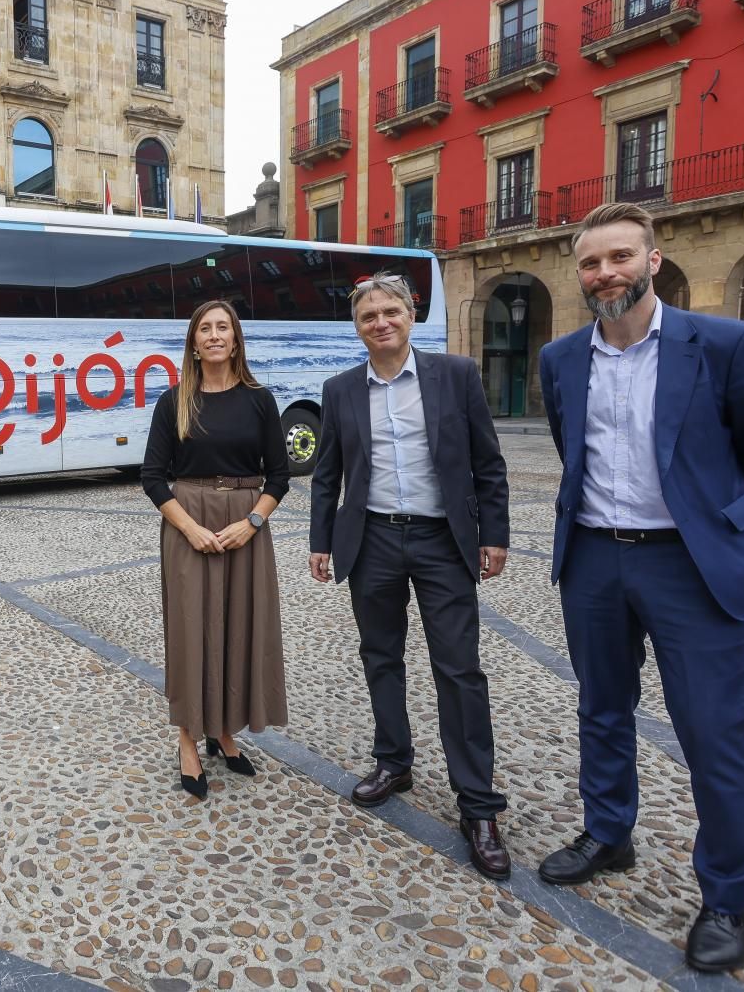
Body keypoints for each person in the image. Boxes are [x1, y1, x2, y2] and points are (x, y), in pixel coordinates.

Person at [536, 202, 744, 973]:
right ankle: (608, 832)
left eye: (619, 256)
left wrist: (725, 527)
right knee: (601, 708)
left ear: (654, 260)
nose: (604, 273)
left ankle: (726, 893)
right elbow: (568, 445)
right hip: (593, 558)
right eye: (590, 263)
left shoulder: (727, 343)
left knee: (714, 733)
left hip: (688, 565)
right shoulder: (560, 359)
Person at [308, 271, 513, 880]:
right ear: (358, 327)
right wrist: (322, 542)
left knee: (459, 668)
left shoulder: (456, 376)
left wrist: (494, 534)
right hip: (371, 539)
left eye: (390, 311)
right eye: (368, 316)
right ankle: (393, 760)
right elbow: (327, 473)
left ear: (410, 313)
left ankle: (478, 805)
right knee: (381, 656)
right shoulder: (341, 388)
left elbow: (488, 462)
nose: (380, 322)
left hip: (441, 541)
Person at [142, 298, 290, 800]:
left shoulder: (259, 399)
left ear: (235, 338)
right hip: (190, 525)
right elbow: (152, 477)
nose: (214, 335)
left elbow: (281, 475)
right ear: (194, 341)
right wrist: (189, 529)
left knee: (239, 630)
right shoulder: (174, 401)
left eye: (222, 327)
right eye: (204, 328)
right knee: (192, 633)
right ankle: (188, 738)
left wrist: (252, 522)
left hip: (245, 526)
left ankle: (223, 732)